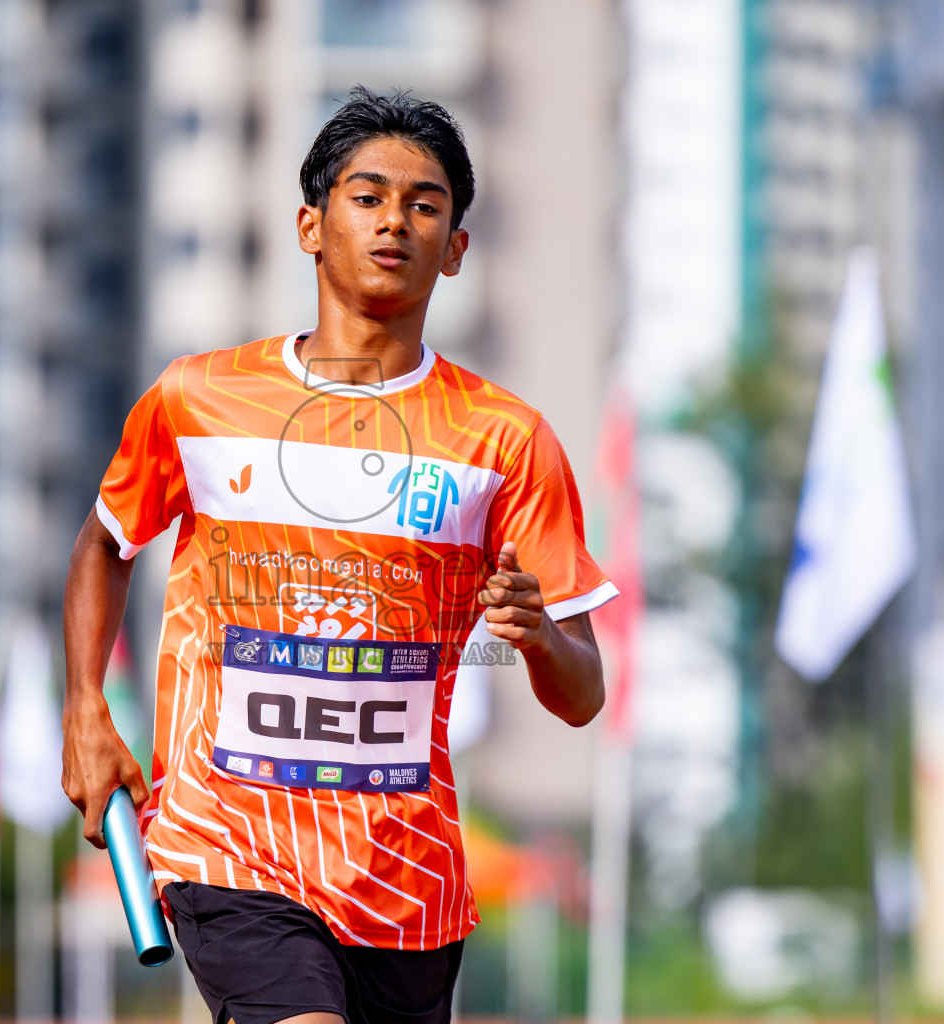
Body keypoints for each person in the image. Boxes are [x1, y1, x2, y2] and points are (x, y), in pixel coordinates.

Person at [61, 86, 616, 1024]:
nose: (395, 220)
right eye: (368, 197)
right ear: (311, 226)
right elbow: (104, 544)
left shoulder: (505, 441)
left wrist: (533, 639)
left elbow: (583, 692)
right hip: (230, 846)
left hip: (407, 882)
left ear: (459, 247)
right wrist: (84, 708)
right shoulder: (199, 399)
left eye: (426, 203)